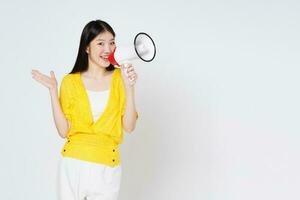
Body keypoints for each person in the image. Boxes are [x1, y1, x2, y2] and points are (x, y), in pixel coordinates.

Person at [31, 19, 138, 200]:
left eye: (112, 43)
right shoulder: (70, 82)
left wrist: (130, 87)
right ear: (87, 48)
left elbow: (129, 127)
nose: (108, 49)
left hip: (108, 168)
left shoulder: (121, 78)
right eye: (100, 43)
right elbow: (64, 131)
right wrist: (52, 91)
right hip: (73, 165)